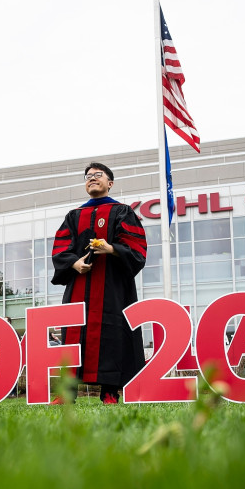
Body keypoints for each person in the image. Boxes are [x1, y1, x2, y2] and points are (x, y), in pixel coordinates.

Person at [51, 162, 147, 404]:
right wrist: (73, 264)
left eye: (97, 175)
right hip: (79, 287)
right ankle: (67, 393)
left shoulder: (123, 211)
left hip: (112, 288)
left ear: (110, 183)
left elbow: (136, 249)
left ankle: (110, 392)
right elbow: (61, 248)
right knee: (72, 336)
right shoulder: (74, 216)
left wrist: (111, 248)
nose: (91, 179)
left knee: (113, 335)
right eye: (87, 177)